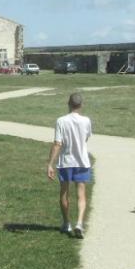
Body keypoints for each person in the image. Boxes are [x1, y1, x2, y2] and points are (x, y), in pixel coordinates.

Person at [46, 93, 92, 238]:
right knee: (81, 194)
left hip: (66, 162)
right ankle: (79, 223)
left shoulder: (61, 121)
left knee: (64, 193)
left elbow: (57, 144)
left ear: (68, 104)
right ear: (81, 105)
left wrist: (50, 164)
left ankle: (67, 223)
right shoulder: (86, 121)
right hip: (82, 161)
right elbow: (86, 137)